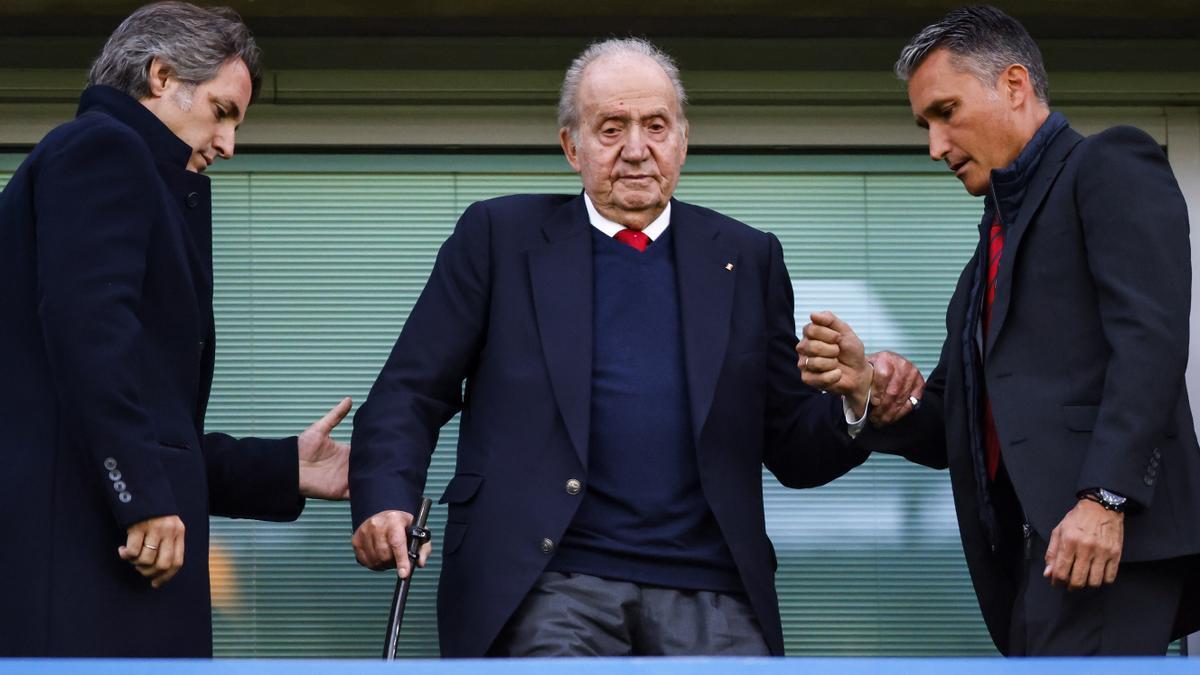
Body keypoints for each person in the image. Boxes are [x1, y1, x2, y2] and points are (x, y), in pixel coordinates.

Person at [348, 37, 923, 657]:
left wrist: (857, 402)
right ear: (572, 146)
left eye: (655, 126)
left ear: (683, 139)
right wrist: (385, 500)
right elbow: (409, 390)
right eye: (611, 128)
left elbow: (790, 447)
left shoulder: (747, 256)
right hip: (547, 584)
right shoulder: (499, 238)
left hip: (713, 589)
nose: (636, 150)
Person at [798, 4, 1200, 656]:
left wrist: (1106, 497)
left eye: (946, 112)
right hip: (1033, 561)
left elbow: (1150, 341)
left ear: (1015, 86)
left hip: (1104, 541)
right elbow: (951, 427)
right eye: (924, 124)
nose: (935, 146)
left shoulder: (1108, 163)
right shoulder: (981, 265)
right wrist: (869, 388)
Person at [0, 2, 352, 657]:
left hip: (101, 576)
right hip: (88, 583)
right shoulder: (101, 147)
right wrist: (140, 496)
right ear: (161, 77)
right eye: (222, 112)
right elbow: (89, 331)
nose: (227, 144)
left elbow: (150, 426)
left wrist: (284, 468)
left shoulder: (117, 168)